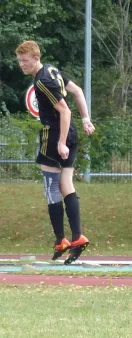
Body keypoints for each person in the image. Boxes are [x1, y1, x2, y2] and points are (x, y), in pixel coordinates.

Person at [15, 40, 94, 264]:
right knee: (66, 185)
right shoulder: (52, 68)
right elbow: (77, 91)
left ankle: (61, 240)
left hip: (55, 134)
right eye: (20, 61)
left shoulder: (42, 80)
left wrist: (60, 142)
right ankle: (77, 237)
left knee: (51, 188)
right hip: (72, 133)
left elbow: (65, 110)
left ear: (35, 58)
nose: (22, 65)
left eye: (25, 61)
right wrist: (87, 120)